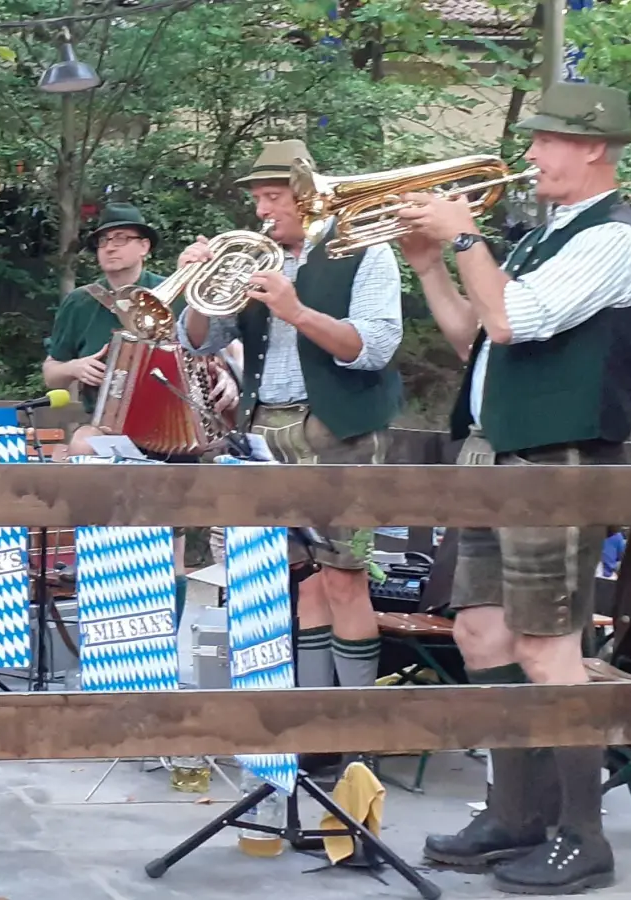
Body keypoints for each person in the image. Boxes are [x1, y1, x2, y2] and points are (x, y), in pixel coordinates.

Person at [396, 81, 631, 895]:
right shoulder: (542, 238)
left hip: (558, 461)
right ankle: (515, 814)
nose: (530, 152)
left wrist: (465, 234)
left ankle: (582, 836)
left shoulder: (616, 239)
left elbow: (514, 321)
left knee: (546, 646)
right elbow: (477, 336)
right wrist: (436, 266)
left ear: (594, 148)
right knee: (483, 634)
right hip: (499, 454)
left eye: (546, 139)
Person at [177, 139, 404, 712]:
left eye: (272, 197)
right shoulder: (254, 258)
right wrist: (197, 290)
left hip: (337, 431)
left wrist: (296, 310)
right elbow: (199, 340)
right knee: (298, 580)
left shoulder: (365, 252)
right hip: (264, 431)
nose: (261, 211)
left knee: (345, 578)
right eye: (256, 198)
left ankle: (358, 730)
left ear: (308, 195)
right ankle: (310, 728)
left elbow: (374, 348)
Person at [42, 202, 240, 458]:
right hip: (110, 431)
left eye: (121, 238)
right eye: (103, 241)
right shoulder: (80, 303)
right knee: (84, 444)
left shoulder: (177, 292)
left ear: (144, 247)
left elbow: (226, 349)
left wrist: (228, 378)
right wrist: (74, 368)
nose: (110, 247)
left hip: (182, 428)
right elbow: (51, 373)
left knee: (222, 453)